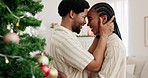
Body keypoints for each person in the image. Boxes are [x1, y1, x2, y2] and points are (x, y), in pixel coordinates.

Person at [49, 0, 114, 78]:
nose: (85, 22)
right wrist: (104, 35)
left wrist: (98, 34)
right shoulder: (65, 40)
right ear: (72, 14)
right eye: (84, 17)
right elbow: (95, 66)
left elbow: (87, 57)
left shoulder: (62, 35)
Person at [87, 2, 126, 78]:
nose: (88, 24)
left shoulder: (115, 46)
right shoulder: (100, 40)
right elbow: (87, 64)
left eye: (90, 19)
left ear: (104, 19)